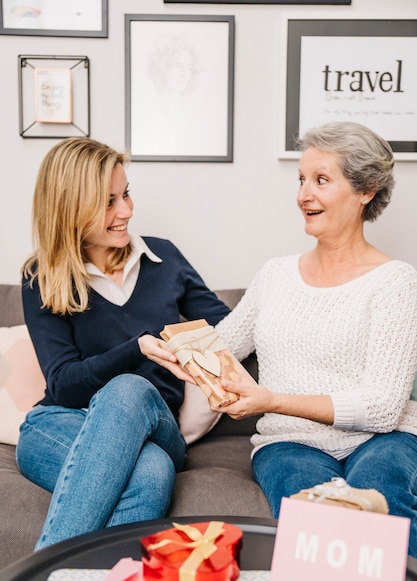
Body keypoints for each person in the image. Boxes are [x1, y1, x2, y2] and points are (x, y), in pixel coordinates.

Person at [143, 121, 417, 556]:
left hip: (384, 439)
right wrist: (169, 350)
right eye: (302, 179)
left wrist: (270, 400)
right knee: (314, 519)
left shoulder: (394, 282)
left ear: (366, 189)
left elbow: (383, 409)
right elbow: (222, 347)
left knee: (384, 502)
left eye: (321, 180)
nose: (303, 194)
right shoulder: (275, 275)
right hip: (288, 442)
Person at [17, 137, 230, 550]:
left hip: (157, 427)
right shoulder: (42, 276)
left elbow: (229, 326)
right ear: (71, 207)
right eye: (109, 201)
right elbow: (62, 384)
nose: (127, 210)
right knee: (150, 474)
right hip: (58, 423)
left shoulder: (164, 259)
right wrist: (137, 348)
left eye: (126, 194)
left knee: (131, 387)